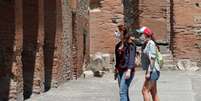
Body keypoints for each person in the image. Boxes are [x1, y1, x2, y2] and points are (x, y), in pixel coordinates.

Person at [137, 26, 160, 101]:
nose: (140, 36)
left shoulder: (151, 43)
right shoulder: (147, 43)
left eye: (141, 34)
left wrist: (149, 72)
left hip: (152, 71)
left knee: (144, 91)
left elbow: (152, 59)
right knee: (154, 92)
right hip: (152, 70)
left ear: (146, 34)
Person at [115, 29, 137, 101]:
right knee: (125, 91)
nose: (116, 33)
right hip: (120, 71)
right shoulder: (118, 45)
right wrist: (116, 69)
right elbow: (117, 60)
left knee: (122, 92)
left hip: (127, 70)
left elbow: (131, 57)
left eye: (117, 32)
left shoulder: (130, 45)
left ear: (122, 33)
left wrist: (129, 70)